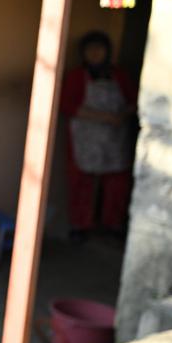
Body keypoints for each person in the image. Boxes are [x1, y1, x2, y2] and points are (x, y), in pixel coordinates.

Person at [60, 30, 136, 240]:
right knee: (81, 182)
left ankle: (113, 225)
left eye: (99, 49)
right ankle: (80, 226)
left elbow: (134, 101)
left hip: (115, 138)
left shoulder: (119, 75)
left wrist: (121, 116)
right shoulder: (77, 76)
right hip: (85, 138)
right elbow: (67, 105)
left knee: (117, 183)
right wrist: (103, 117)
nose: (95, 53)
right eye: (90, 49)